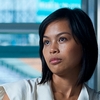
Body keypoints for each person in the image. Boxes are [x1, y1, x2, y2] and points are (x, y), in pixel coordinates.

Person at [0, 7, 100, 100]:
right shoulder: (20, 93)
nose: (52, 49)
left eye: (62, 39)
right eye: (46, 42)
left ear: (84, 44)